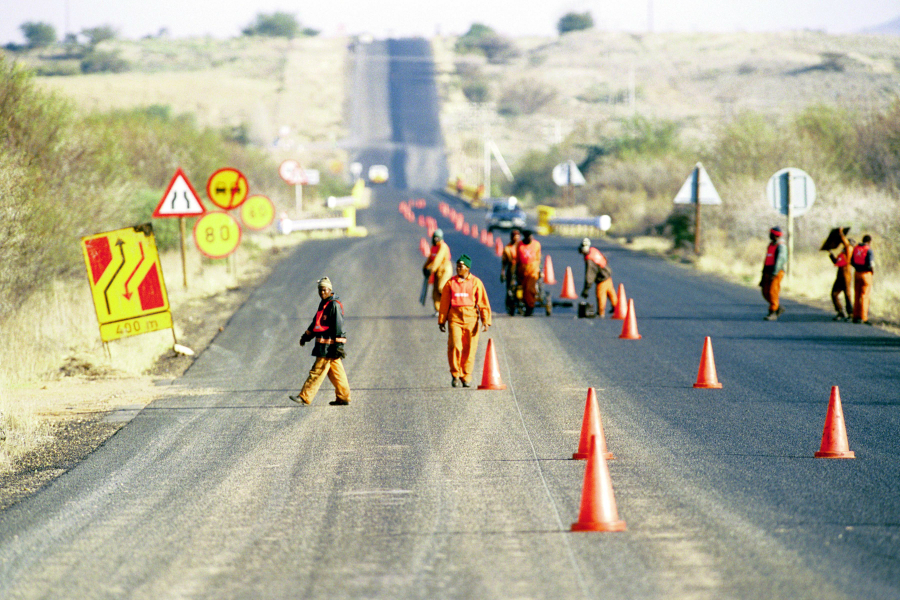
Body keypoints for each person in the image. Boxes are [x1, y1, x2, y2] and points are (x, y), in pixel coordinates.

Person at [290, 277, 351, 406]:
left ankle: (304, 396)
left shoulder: (334, 305)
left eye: (324, 290)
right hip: (324, 347)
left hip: (328, 348)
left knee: (317, 372)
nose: (322, 293)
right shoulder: (324, 304)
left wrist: (339, 346)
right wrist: (305, 337)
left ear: (330, 290)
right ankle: (343, 397)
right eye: (320, 291)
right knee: (337, 373)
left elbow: (339, 327)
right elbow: (316, 324)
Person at [438, 255, 492, 388]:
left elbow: (483, 303)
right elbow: (444, 303)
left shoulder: (476, 282)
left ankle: (466, 376)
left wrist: (485, 320)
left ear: (467, 268)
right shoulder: (450, 283)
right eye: (457, 266)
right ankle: (455, 374)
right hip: (455, 319)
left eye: (461, 266)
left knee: (470, 348)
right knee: (455, 345)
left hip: (471, 319)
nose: (458, 268)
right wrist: (442, 320)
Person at [578, 238, 618, 317]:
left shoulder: (589, 260)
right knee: (611, 293)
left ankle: (601, 312)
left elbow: (589, 276)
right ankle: (617, 308)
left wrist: (586, 289)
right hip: (607, 274)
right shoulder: (593, 250)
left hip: (602, 279)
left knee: (601, 295)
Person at [423, 229, 452, 316]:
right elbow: (430, 258)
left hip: (444, 270)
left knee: (441, 288)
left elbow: (438, 259)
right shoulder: (433, 247)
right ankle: (439, 310)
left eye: (437, 238)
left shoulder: (443, 247)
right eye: (434, 238)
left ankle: (451, 306)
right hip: (436, 271)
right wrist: (425, 267)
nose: (436, 240)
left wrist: (431, 269)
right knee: (435, 291)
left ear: (441, 238)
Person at [760, 226, 787, 321]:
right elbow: (767, 259)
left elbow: (780, 260)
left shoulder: (781, 246)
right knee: (765, 292)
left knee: (772, 292)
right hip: (768, 271)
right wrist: (763, 274)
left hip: (776, 272)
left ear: (775, 235)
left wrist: (774, 273)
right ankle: (778, 307)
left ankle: (773, 312)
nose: (769, 235)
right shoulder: (771, 244)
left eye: (771, 234)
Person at [828, 229, 854, 321]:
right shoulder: (843, 253)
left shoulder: (849, 249)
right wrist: (830, 253)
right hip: (840, 276)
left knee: (847, 295)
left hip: (846, 276)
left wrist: (841, 234)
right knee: (834, 294)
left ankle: (850, 314)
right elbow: (836, 262)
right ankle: (840, 312)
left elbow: (846, 243)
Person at [515, 230, 542, 316]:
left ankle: (530, 307)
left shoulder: (536, 244)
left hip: (533, 269)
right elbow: (518, 258)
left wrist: (539, 269)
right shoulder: (520, 245)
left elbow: (538, 258)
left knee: (529, 289)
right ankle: (525, 305)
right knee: (522, 289)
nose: (531, 238)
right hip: (522, 270)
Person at [851, 234, 875, 325]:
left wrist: (858, 267)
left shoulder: (856, 248)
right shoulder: (869, 250)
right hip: (866, 274)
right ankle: (863, 318)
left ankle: (855, 316)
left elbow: (852, 262)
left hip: (857, 273)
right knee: (865, 296)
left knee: (856, 295)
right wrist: (871, 271)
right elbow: (870, 264)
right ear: (869, 241)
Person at [500, 228, 521, 297]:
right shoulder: (507, 248)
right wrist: (502, 272)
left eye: (517, 237)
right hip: (512, 267)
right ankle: (510, 292)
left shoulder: (521, 246)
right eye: (514, 237)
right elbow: (504, 261)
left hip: (521, 266)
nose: (516, 239)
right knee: (510, 280)